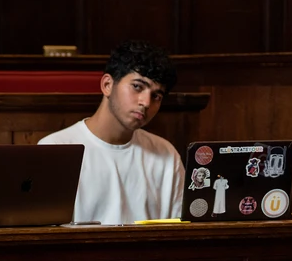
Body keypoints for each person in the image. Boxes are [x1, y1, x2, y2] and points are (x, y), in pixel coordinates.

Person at [38, 40, 183, 224]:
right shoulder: (54, 150)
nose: (146, 102)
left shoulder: (166, 155)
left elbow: (180, 232)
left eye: (156, 96)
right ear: (107, 84)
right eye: (137, 86)